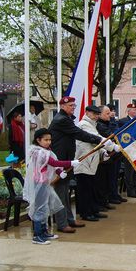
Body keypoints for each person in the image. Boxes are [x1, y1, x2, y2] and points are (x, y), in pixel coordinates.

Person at [49, 96, 116, 233]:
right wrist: (104, 142)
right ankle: (62, 223)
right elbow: (80, 134)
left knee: (65, 192)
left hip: (67, 160)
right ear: (62, 106)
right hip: (60, 161)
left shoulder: (66, 119)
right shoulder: (61, 120)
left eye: (74, 105)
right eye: (70, 105)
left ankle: (69, 219)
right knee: (61, 193)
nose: (73, 107)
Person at [22, 128, 80, 245]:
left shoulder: (46, 150)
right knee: (40, 210)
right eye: (45, 140)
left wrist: (59, 172)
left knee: (45, 208)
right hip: (39, 183)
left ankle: (44, 232)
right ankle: (37, 235)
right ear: (38, 140)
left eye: (50, 140)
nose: (48, 142)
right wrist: (70, 163)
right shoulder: (38, 152)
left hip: (44, 183)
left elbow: (53, 164)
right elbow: (53, 163)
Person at [74, 105, 114, 221]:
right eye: (94, 114)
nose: (96, 116)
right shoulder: (84, 124)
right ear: (87, 113)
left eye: (97, 114)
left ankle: (93, 210)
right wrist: (112, 147)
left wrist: (103, 153)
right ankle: (86, 212)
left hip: (91, 162)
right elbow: (97, 139)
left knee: (92, 188)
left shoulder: (92, 124)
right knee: (85, 189)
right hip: (84, 162)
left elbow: (95, 144)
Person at [118, 103, 136, 197]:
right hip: (128, 149)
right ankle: (130, 191)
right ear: (128, 111)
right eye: (134, 110)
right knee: (129, 172)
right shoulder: (122, 121)